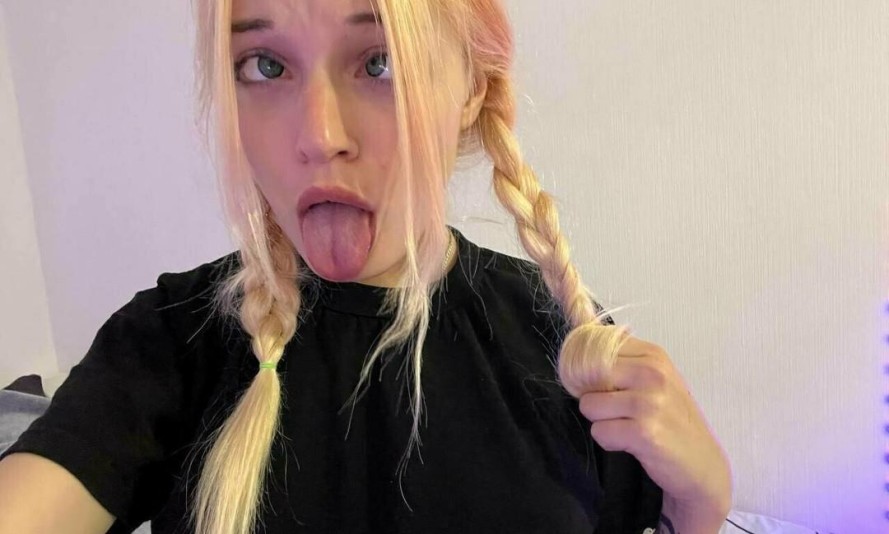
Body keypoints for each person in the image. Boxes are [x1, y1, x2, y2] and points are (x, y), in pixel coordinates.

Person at [0, 0, 732, 532]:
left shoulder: (564, 341)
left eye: (381, 62)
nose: (320, 136)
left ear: (472, 86)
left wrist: (704, 498)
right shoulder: (166, 344)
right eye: (264, 65)